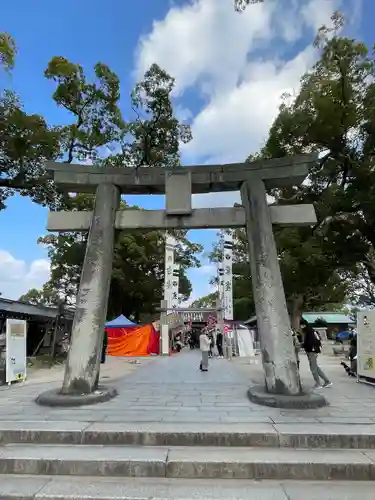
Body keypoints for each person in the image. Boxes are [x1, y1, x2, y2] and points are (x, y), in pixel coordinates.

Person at [302, 321, 332, 389]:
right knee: (316, 368)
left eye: (302, 325)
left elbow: (309, 343)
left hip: (312, 351)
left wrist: (303, 345)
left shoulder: (309, 332)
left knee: (313, 368)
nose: (301, 327)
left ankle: (318, 384)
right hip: (314, 351)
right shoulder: (312, 331)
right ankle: (327, 381)